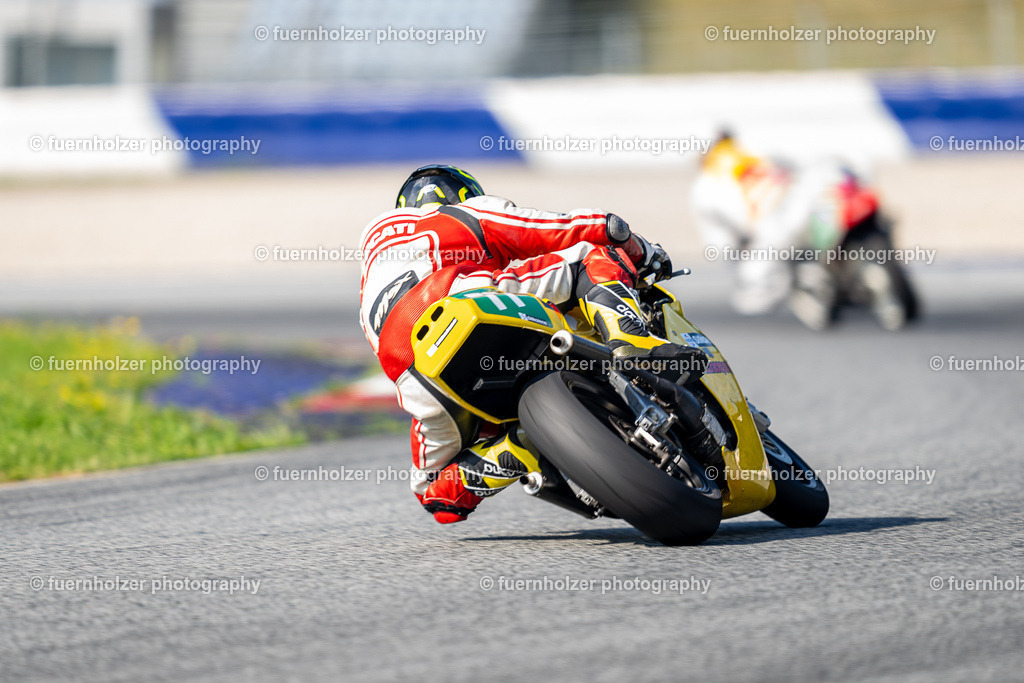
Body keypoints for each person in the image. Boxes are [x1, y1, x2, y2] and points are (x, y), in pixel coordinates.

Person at [359, 164, 698, 524]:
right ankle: (633, 343)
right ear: (461, 193)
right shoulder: (462, 212)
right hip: (466, 304)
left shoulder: (370, 268)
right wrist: (638, 248)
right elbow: (560, 229)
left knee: (434, 494)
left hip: (418, 376)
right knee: (588, 257)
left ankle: (515, 447)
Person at [691, 132, 875, 323]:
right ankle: (823, 275)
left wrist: (743, 247)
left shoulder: (703, 186)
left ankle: (813, 280)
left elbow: (721, 245)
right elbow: (804, 164)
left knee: (749, 297)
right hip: (805, 201)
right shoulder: (755, 148)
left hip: (774, 228)